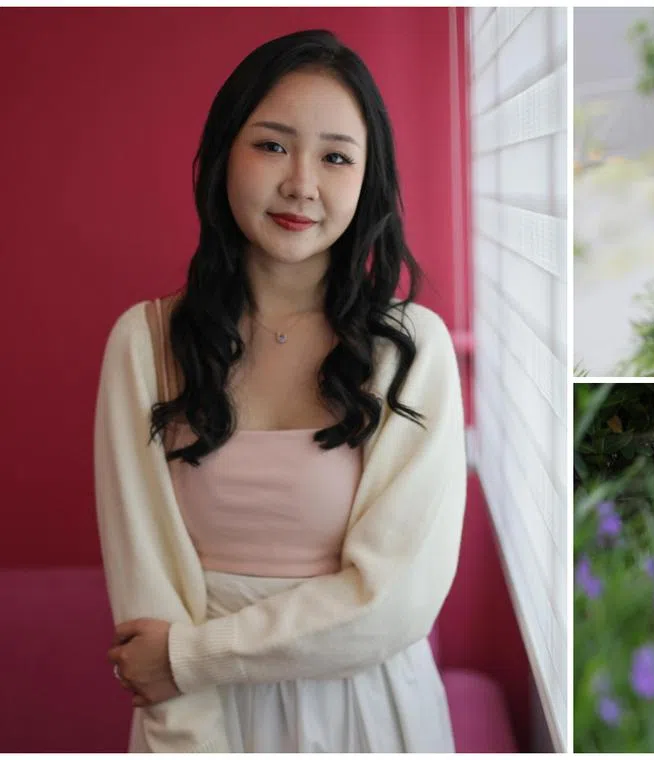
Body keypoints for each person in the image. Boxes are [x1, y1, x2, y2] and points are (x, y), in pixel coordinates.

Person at [93, 30, 465, 752]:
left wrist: (190, 657)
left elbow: (396, 602)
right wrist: (180, 692)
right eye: (272, 146)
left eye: (335, 157)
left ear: (368, 179)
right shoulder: (145, 345)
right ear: (225, 153)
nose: (301, 184)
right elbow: (145, 599)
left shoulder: (413, 350)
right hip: (199, 716)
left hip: (370, 715)